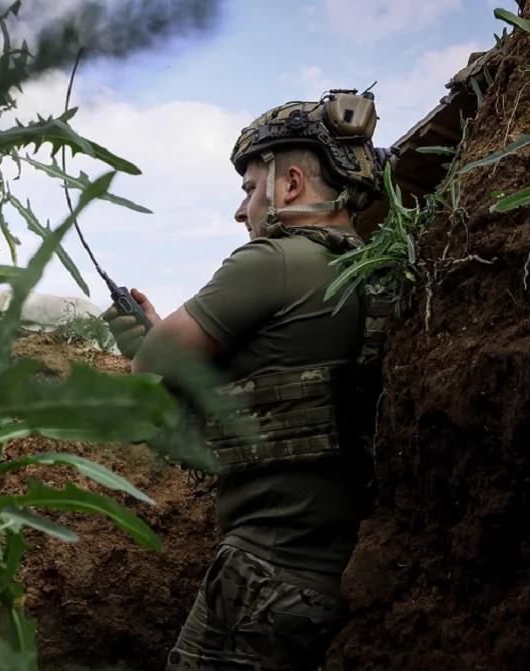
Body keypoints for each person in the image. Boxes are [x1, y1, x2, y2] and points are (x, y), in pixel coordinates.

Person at [104, 91, 391, 670]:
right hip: (332, 569)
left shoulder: (272, 260)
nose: (241, 212)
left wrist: (143, 338)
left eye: (247, 189)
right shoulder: (369, 267)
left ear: (287, 186)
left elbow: (150, 368)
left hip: (263, 572)